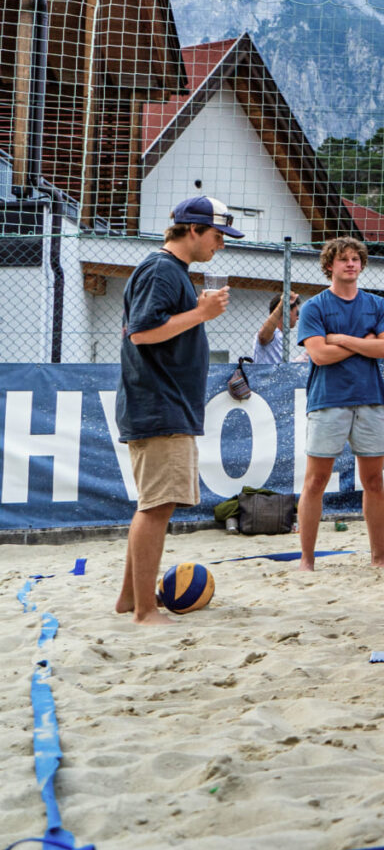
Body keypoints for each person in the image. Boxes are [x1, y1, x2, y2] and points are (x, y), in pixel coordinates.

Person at [114, 196, 238, 626]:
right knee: (157, 507)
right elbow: (142, 334)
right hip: (158, 404)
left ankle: (132, 599)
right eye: (217, 236)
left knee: (154, 505)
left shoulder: (172, 271)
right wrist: (200, 313)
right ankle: (145, 611)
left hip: (165, 403)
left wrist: (195, 312)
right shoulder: (161, 269)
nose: (220, 245)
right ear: (192, 230)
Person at [293, 235, 384, 572]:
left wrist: (342, 339)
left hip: (370, 399)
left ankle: (378, 556)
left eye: (356, 259)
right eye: (343, 259)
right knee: (315, 481)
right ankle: (306, 560)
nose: (351, 263)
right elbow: (320, 356)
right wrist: (363, 342)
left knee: (374, 482)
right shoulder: (314, 307)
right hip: (329, 400)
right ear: (329, 266)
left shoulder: (377, 305)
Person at [253, 291, 297, 365]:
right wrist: (282, 304)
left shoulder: (281, 335)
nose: (298, 317)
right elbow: (263, 337)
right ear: (288, 312)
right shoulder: (273, 333)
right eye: (297, 313)